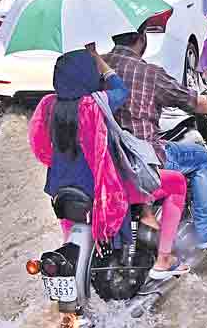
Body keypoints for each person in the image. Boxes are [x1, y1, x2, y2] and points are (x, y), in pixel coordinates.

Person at [29, 46, 192, 279]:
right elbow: (121, 89)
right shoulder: (94, 104)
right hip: (103, 193)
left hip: (61, 190)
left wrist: (65, 164)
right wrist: (100, 61)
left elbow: (40, 148)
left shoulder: (47, 105)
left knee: (69, 239)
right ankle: (164, 258)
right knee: (177, 183)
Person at [103, 27, 207, 250]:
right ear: (141, 39)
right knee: (201, 157)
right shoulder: (149, 73)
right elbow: (191, 101)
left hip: (106, 158)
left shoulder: (96, 67)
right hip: (142, 160)